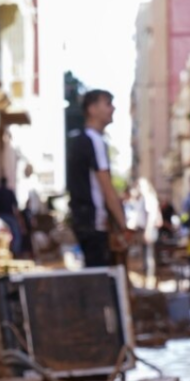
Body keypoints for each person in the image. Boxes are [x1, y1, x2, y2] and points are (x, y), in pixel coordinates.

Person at [66, 89, 133, 268]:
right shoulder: (94, 140)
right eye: (107, 104)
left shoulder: (81, 140)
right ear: (92, 109)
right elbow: (106, 186)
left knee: (95, 276)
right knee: (100, 279)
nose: (112, 109)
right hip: (93, 222)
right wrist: (123, 224)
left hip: (84, 220)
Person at [0, 175, 26, 258]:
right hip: (9, 215)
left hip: (1, 216)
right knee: (16, 234)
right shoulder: (9, 192)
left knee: (1, 234)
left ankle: (3, 251)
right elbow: (15, 205)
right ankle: (15, 251)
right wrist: (19, 217)